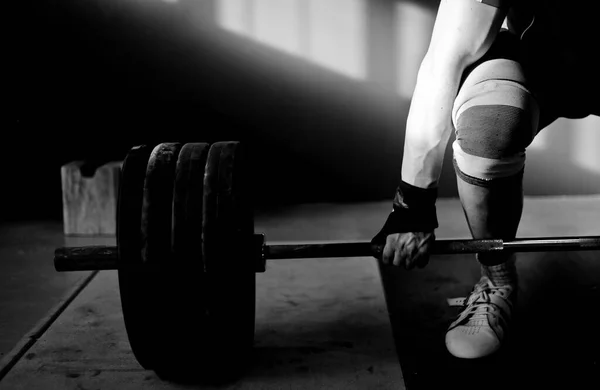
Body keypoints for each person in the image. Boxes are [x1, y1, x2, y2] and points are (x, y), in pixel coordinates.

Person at [371, 0, 600, 359]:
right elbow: (446, 60)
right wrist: (412, 206)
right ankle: (498, 279)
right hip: (540, 61)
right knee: (490, 119)